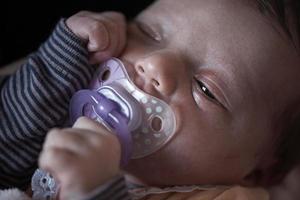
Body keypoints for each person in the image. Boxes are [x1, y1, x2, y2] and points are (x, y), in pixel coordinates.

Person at [0, 0, 299, 199]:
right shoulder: (59, 103)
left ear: (258, 171)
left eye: (205, 89)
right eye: (148, 33)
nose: (156, 64)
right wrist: (59, 65)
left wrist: (97, 189)